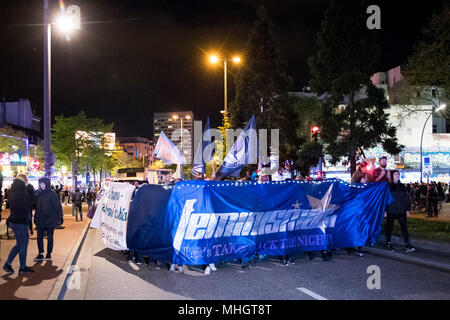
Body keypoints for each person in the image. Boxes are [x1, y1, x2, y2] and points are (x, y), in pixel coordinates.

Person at [2, 176, 34, 275]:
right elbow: (28, 206)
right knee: (23, 244)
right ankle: (22, 268)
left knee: (20, 244)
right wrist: (31, 194)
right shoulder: (22, 192)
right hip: (20, 221)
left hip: (14, 220)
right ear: (24, 181)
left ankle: (8, 264)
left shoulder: (13, 190)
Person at [33, 177, 63, 261]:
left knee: (50, 237)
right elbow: (34, 205)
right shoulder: (38, 194)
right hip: (39, 219)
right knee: (39, 237)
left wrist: (60, 217)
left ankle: (49, 253)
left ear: (47, 184)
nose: (42, 185)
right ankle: (40, 253)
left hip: (50, 219)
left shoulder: (52, 194)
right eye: (40, 184)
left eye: (43, 183)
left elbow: (58, 206)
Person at [385, 170, 415, 252]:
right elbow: (385, 199)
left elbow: (406, 198)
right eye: (395, 174)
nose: (397, 176)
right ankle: (388, 242)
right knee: (389, 227)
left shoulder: (402, 186)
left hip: (401, 210)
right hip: (391, 210)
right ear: (392, 176)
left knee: (404, 227)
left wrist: (408, 209)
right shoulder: (388, 186)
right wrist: (385, 210)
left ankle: (407, 243)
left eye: (398, 174)